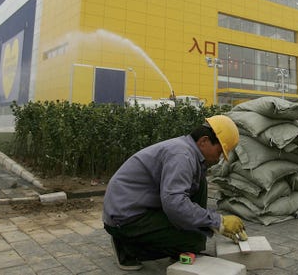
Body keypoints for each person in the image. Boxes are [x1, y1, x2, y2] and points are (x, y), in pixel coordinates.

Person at [102, 114, 247, 271]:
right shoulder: (181, 156)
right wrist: (218, 222)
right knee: (194, 241)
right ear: (204, 141)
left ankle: (175, 240)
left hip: (141, 206)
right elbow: (174, 203)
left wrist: (208, 223)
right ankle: (127, 248)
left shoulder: (189, 152)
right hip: (125, 218)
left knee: (200, 184)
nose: (218, 159)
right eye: (219, 151)